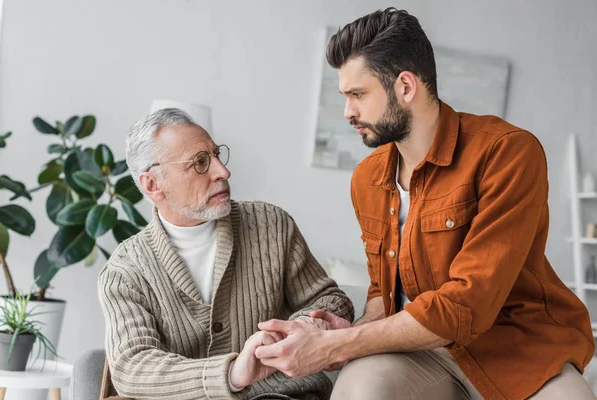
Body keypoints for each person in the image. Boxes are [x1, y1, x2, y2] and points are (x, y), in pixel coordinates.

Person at [255, 8, 596, 400]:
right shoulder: (366, 179)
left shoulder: (508, 152)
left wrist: (334, 348)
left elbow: (468, 304)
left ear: (405, 87)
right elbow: (384, 294)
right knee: (359, 389)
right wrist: (352, 332)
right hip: (420, 352)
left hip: (518, 350)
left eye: (358, 95)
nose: (348, 111)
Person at [97, 108, 354, 400]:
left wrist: (300, 326)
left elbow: (333, 302)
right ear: (153, 185)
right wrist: (232, 373)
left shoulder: (272, 224)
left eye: (216, 155)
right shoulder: (125, 271)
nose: (223, 171)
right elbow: (133, 367)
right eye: (200, 163)